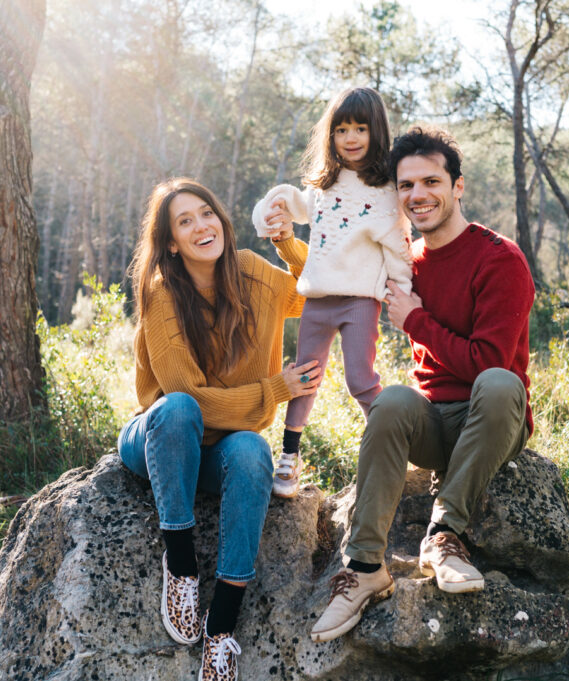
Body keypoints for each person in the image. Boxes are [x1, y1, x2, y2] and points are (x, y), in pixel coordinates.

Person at [310, 126, 535, 643]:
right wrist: (282, 239)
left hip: (492, 419)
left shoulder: (500, 259)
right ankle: (365, 567)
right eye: (406, 185)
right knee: (390, 400)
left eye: (431, 181)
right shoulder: (403, 259)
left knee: (500, 382)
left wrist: (415, 320)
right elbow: (330, 270)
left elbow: (487, 366)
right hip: (433, 424)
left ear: (458, 187)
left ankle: (444, 535)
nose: (418, 195)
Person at [118, 178, 320, 680]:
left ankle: (222, 626)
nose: (200, 226)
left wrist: (285, 241)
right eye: (184, 222)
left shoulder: (251, 272)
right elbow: (190, 400)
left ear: (221, 219)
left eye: (205, 213)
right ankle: (181, 568)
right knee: (180, 407)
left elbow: (316, 286)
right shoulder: (162, 294)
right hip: (162, 439)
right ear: (170, 241)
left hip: (223, 449)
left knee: (253, 449)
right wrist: (275, 390)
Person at [251, 86, 412, 499]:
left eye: (360, 128)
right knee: (305, 376)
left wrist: (404, 295)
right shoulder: (324, 186)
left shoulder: (385, 192)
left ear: (377, 132)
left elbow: (398, 248)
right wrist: (273, 209)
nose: (352, 137)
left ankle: (391, 448)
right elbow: (295, 206)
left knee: (361, 378)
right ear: (331, 136)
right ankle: (289, 456)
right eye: (342, 129)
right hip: (318, 301)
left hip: (360, 301)